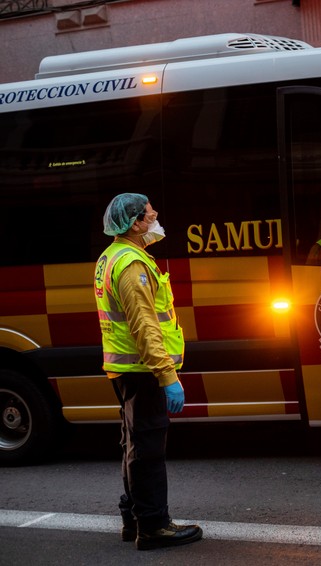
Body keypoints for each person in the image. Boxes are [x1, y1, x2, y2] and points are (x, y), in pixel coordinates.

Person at [93, 193, 202, 551]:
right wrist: (168, 376)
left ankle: (134, 517)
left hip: (127, 368)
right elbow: (145, 326)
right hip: (143, 370)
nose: (155, 216)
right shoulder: (131, 265)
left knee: (134, 443)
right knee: (148, 449)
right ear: (136, 222)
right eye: (150, 213)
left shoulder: (115, 255)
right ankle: (153, 526)